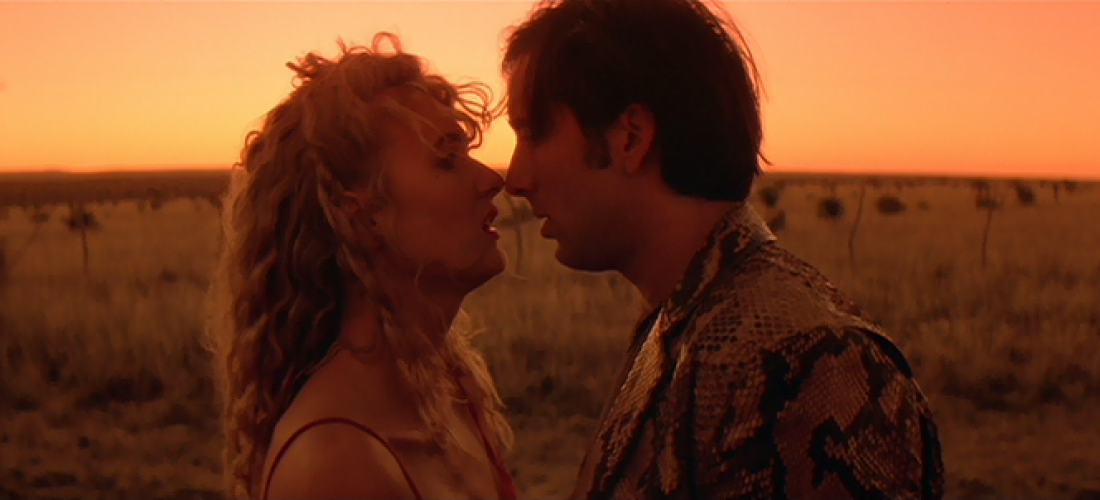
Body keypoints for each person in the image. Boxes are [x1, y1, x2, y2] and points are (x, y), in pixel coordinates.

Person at [499, 1, 945, 499]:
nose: (516, 179)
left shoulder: (805, 368)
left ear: (631, 138)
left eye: (533, 134)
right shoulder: (681, 321)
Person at [204, 32, 517, 500]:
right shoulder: (335, 464)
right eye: (448, 160)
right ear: (363, 217)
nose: (491, 179)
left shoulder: (449, 392)